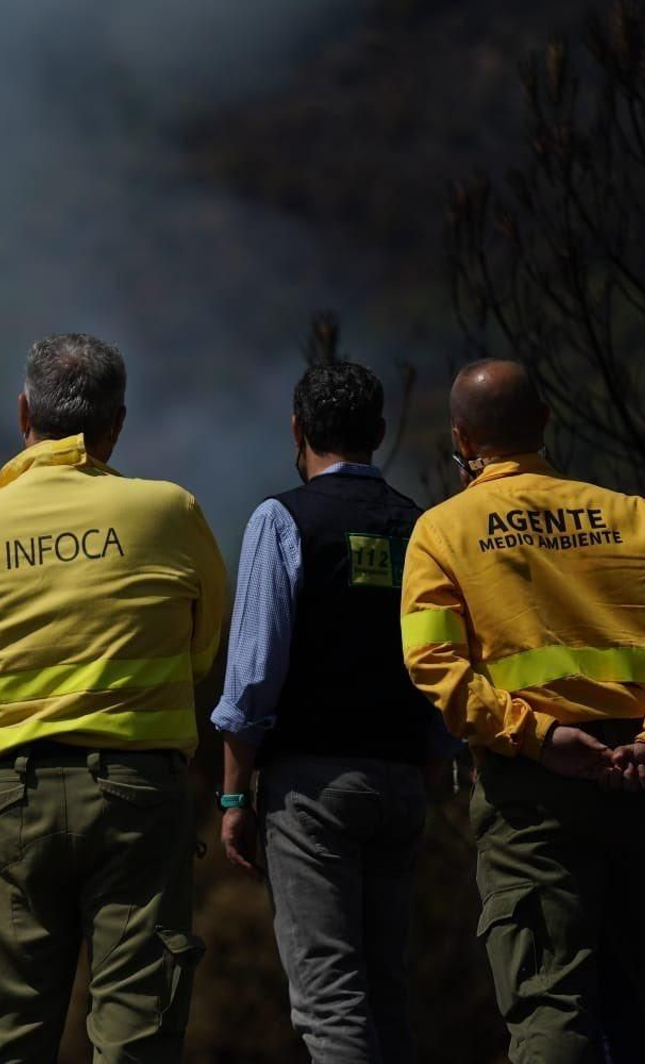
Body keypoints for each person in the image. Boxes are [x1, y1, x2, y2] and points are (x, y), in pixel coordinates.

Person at [399, 358, 645, 1063]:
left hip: (532, 796)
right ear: (545, 422)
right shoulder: (634, 517)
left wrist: (539, 737)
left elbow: (435, 665)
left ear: (462, 438)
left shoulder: (441, 531)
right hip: (642, 785)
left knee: (552, 1007)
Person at [0, 333, 228, 1062]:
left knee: (7, 1040)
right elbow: (203, 650)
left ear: (22, 411)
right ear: (117, 423)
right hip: (135, 797)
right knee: (136, 1038)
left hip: (4, 800)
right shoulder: (169, 511)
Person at [212, 360, 455, 1063]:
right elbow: (441, 659)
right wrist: (431, 766)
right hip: (402, 782)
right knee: (386, 992)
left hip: (313, 787)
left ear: (297, 429)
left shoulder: (282, 519)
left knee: (330, 1000)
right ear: (379, 433)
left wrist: (234, 792)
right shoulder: (422, 526)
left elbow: (253, 675)